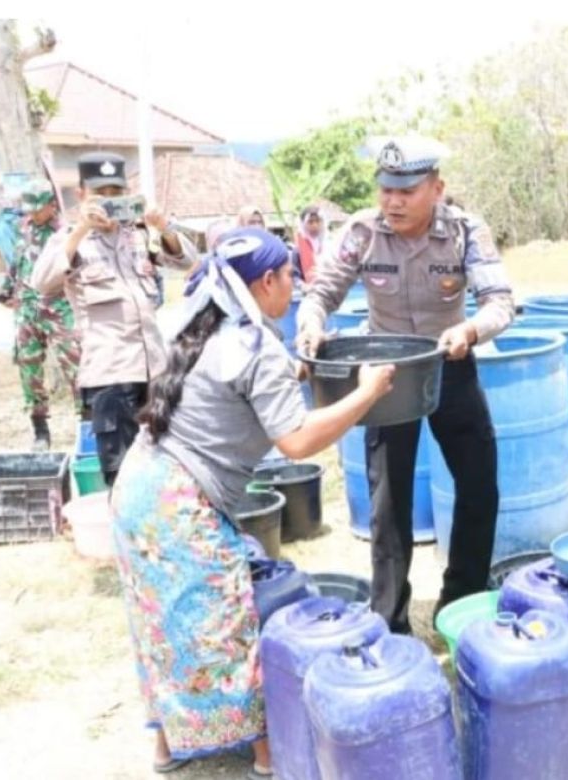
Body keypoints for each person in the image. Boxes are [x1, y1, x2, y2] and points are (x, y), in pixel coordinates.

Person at [109, 226, 394, 776]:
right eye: (290, 275)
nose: (295, 283)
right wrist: (367, 391)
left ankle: (167, 745)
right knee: (224, 618)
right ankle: (265, 754)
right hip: (180, 502)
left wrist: (299, 370)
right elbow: (298, 441)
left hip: (139, 487)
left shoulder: (203, 325)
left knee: (159, 619)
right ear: (267, 281)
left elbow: (238, 390)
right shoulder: (254, 346)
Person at [295, 136, 516, 634]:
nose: (392, 202)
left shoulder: (465, 232)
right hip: (385, 375)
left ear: (436, 188)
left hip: (449, 364)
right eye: (385, 190)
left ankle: (461, 604)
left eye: (407, 191)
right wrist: (309, 322)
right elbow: (321, 291)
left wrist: (471, 330)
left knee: (480, 487)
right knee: (388, 503)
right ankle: (390, 623)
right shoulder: (361, 231)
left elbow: (500, 302)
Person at [32, 152, 197, 487]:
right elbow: (42, 281)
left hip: (156, 369)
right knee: (122, 474)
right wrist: (80, 230)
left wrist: (163, 227)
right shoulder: (69, 240)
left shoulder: (138, 235)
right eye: (99, 194)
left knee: (166, 464)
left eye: (115, 193)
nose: (109, 201)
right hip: (110, 374)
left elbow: (187, 260)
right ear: (81, 195)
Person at [0, 179, 83, 449]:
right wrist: (7, 290)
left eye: (38, 209)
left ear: (52, 205)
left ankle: (87, 423)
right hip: (27, 308)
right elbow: (17, 262)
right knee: (28, 366)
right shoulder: (24, 229)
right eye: (29, 209)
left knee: (76, 366)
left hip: (59, 307)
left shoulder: (66, 232)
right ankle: (40, 429)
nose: (33, 214)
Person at [294, 205, 327, 284]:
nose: (315, 225)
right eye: (310, 222)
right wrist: (303, 286)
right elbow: (294, 276)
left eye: (317, 221)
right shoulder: (297, 250)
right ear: (303, 225)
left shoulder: (329, 246)